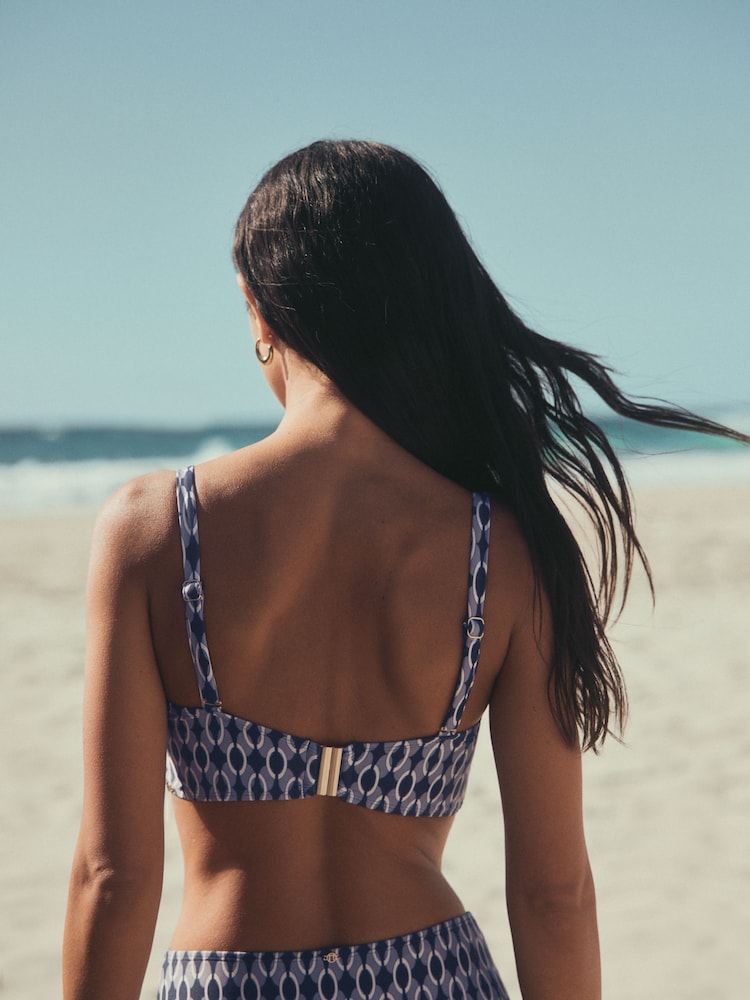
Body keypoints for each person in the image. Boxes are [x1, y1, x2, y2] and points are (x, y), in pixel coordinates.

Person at [63, 140, 748, 1000]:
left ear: (262, 312)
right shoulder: (505, 548)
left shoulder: (153, 530)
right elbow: (554, 894)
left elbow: (113, 877)